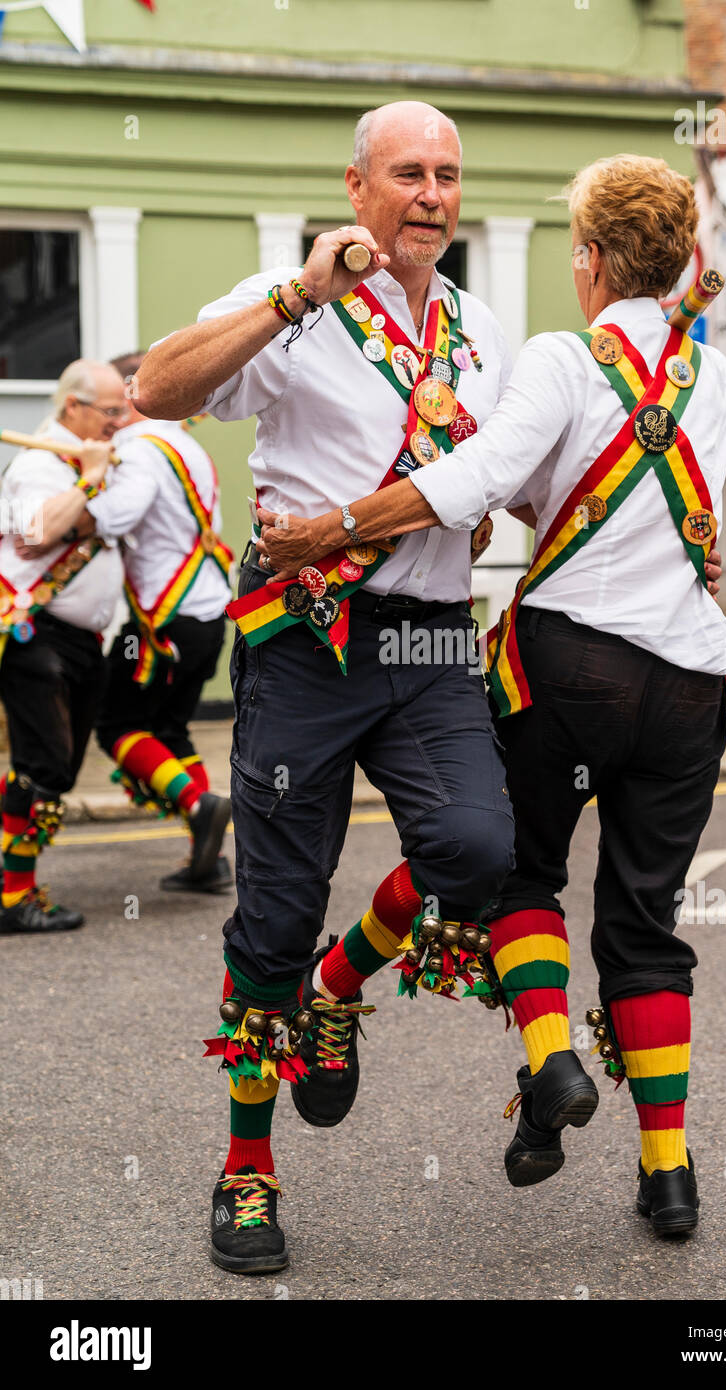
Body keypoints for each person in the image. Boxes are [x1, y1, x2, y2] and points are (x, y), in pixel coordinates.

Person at [256, 154, 726, 1237]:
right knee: (645, 926)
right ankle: (668, 1176)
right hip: (692, 687)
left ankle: (550, 1062)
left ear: (591, 261)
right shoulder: (714, 376)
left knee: (517, 871)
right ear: (682, 263)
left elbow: (473, 481)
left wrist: (330, 529)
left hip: (571, 667)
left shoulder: (561, 355)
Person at [134, 100, 521, 1276]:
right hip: (305, 641)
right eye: (406, 173)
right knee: (271, 917)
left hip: (430, 642)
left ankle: (337, 989)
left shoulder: (481, 326)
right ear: (355, 189)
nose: (431, 195)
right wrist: (297, 294)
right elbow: (158, 388)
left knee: (476, 848)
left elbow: (513, 475)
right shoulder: (288, 300)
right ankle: (246, 1171)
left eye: (447, 175)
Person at [92, 352, 233, 893]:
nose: (108, 417)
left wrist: (80, 496)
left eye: (112, 403)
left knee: (118, 725)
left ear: (135, 392)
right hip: (205, 615)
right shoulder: (186, 446)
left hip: (161, 624)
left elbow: (119, 514)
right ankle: (210, 860)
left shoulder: (138, 450)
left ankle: (198, 806)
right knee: (171, 728)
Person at [0, 360, 127, 933]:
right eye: (109, 411)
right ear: (71, 406)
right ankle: (13, 896)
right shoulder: (37, 464)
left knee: (59, 772)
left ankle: (13, 884)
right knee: (42, 766)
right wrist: (85, 480)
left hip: (82, 641)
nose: (118, 421)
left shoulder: (93, 460)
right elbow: (35, 531)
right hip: (35, 635)